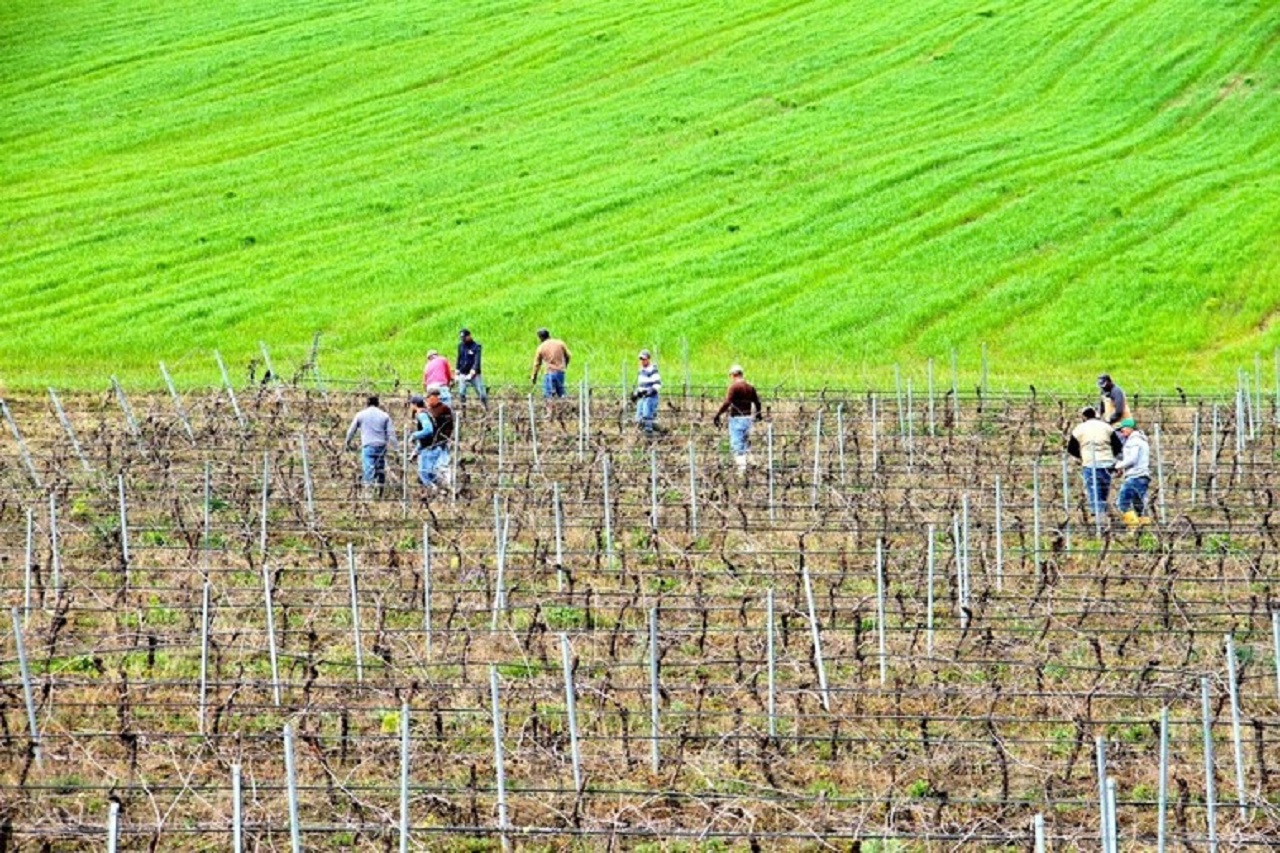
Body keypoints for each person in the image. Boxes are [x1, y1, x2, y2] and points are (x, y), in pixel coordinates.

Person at [1067, 406, 1123, 518]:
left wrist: (1082, 456)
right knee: (1103, 490)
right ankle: (1103, 514)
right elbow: (1117, 446)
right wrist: (1115, 460)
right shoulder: (1106, 427)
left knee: (1093, 491)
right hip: (1107, 463)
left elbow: (1071, 448)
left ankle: (1099, 516)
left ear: (1083, 417)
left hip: (1090, 463)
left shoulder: (1079, 429)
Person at [713, 365, 762, 474]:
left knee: (737, 444)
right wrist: (758, 414)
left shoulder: (734, 387)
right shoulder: (750, 387)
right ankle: (751, 462)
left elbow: (727, 402)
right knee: (745, 442)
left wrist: (718, 414)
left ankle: (741, 470)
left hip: (736, 418)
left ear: (733, 375)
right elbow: (757, 402)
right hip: (748, 418)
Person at [344, 395, 397, 492]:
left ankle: (368, 492)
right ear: (378, 404)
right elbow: (391, 434)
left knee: (368, 469)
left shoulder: (361, 415)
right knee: (380, 469)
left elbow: (351, 431)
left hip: (368, 445)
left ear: (367, 403)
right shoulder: (384, 415)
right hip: (381, 446)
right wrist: (396, 449)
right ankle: (380, 491)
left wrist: (347, 443)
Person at [410, 387, 455, 489]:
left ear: (435, 397)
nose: (427, 400)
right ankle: (442, 489)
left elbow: (433, 430)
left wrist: (414, 435)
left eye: (429, 397)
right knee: (430, 471)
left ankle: (442, 489)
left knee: (439, 468)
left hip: (439, 443)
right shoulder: (428, 411)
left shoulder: (444, 409)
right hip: (431, 443)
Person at [1114, 418, 1152, 528]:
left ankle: (1133, 527)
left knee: (1122, 503)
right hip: (1142, 476)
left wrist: (1117, 466)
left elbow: (1132, 459)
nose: (1121, 431)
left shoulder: (1134, 441)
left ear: (1130, 428)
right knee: (1140, 505)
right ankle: (1144, 530)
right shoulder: (1141, 440)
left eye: (1123, 429)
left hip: (1135, 476)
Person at [530, 328, 571, 400]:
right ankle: (564, 408)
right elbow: (568, 356)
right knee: (561, 394)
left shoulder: (541, 347)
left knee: (548, 396)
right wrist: (565, 366)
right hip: (560, 372)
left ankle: (550, 411)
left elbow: (537, 364)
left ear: (540, 338)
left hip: (549, 373)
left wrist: (534, 377)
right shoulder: (560, 343)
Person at [455, 328, 488, 409]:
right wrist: (457, 370)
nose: (463, 339)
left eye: (464, 337)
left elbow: (477, 360)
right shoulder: (460, 346)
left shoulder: (476, 346)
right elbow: (459, 358)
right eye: (462, 338)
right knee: (461, 393)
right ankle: (463, 410)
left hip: (474, 374)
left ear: (469, 336)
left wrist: (473, 371)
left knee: (481, 393)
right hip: (463, 372)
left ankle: (485, 407)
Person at [631, 349, 661, 434]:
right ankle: (644, 432)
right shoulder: (641, 370)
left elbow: (657, 384)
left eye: (644, 359)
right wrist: (636, 393)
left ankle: (649, 434)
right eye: (641, 359)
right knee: (638, 418)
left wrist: (650, 391)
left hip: (651, 397)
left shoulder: (653, 369)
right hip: (643, 397)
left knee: (647, 416)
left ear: (648, 359)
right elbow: (641, 386)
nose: (642, 361)